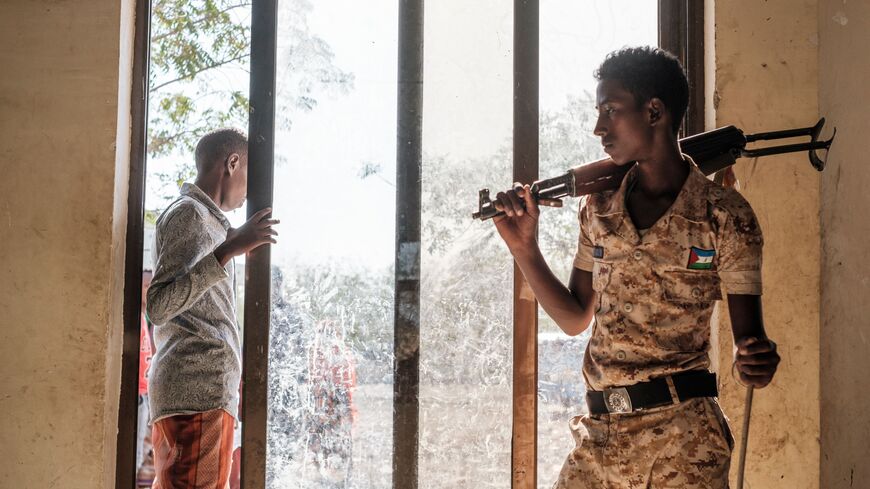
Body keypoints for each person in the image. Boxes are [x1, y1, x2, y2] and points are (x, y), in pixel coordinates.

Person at [492, 47, 780, 487]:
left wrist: (754, 360)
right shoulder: (600, 209)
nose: (598, 128)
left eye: (610, 110)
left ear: (654, 111)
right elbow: (574, 317)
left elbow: (749, 342)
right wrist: (524, 248)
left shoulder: (725, 216)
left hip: (683, 444)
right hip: (601, 435)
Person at [146, 128, 279, 489]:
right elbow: (159, 306)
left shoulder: (205, 220)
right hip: (197, 392)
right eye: (251, 176)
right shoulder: (190, 215)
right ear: (232, 163)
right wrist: (226, 251)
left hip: (197, 392)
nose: (250, 191)